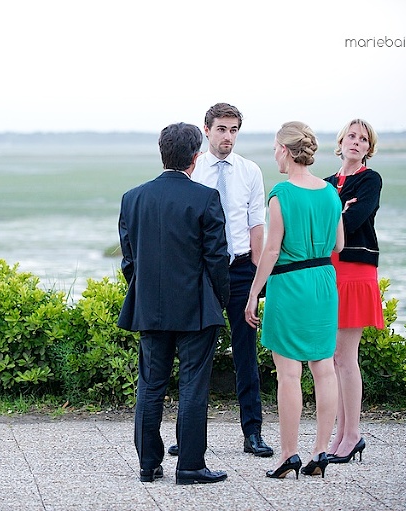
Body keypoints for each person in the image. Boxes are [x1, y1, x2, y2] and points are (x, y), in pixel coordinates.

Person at [118, 122, 231, 485]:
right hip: (197, 307)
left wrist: (145, 289)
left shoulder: (132, 198)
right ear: (196, 157)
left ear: (161, 151)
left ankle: (148, 465)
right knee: (193, 386)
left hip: (149, 305)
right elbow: (217, 259)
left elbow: (129, 260)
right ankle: (191, 466)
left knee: (150, 385)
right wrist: (221, 300)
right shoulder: (205, 198)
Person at [170, 103, 272, 458]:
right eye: (222, 129)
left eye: (233, 130)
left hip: (242, 269)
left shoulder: (250, 171)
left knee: (247, 354)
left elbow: (256, 223)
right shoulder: (193, 172)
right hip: (201, 272)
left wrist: (258, 282)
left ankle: (253, 434)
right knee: (196, 356)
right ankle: (186, 437)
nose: (227, 137)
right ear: (207, 129)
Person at [244, 121, 344, 479]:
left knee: (289, 373)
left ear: (285, 150)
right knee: (324, 368)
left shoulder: (281, 193)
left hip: (289, 284)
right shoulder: (330, 193)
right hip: (323, 283)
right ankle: (321, 452)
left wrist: (254, 293)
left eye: (275, 147)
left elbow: (271, 249)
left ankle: (289, 454)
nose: (274, 154)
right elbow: (338, 246)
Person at [325, 119, 384, 464]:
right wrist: (337, 209)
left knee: (345, 357)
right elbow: (325, 222)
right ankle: (341, 433)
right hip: (328, 271)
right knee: (333, 357)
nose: (357, 142)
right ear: (342, 141)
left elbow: (354, 219)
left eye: (363, 139)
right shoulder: (329, 182)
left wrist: (336, 213)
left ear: (368, 148)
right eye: (352, 136)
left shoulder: (370, 179)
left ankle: (353, 434)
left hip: (356, 272)